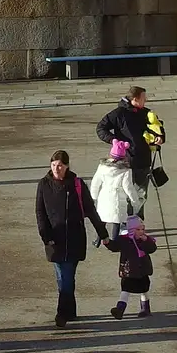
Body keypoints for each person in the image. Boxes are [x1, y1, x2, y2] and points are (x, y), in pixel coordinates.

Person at [35, 149, 109, 328]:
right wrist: (46, 235)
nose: (56, 169)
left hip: (74, 238)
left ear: (67, 166)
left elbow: (90, 210)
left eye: (60, 165)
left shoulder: (77, 184)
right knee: (63, 278)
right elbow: (40, 212)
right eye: (53, 165)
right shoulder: (44, 184)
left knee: (66, 276)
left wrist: (103, 234)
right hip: (55, 240)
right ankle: (71, 311)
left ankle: (62, 313)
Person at [96, 86, 164, 193]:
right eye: (143, 98)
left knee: (141, 198)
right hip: (125, 163)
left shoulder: (147, 113)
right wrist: (113, 140)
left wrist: (160, 138)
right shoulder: (119, 114)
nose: (146, 100)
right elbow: (101, 128)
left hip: (143, 163)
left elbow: (158, 127)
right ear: (135, 99)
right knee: (126, 196)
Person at [88, 138, 144, 241]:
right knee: (116, 222)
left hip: (104, 196)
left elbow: (96, 182)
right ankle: (114, 240)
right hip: (118, 198)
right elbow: (128, 187)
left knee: (102, 219)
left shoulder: (102, 167)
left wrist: (94, 196)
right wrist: (134, 200)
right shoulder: (126, 171)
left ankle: (98, 239)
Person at [106, 215, 157, 318]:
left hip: (142, 270)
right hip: (128, 270)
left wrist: (146, 240)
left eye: (143, 229)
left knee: (144, 289)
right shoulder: (123, 240)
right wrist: (108, 243)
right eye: (138, 229)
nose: (141, 231)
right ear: (132, 230)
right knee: (125, 290)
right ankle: (120, 309)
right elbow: (115, 247)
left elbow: (152, 249)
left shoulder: (145, 240)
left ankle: (145, 308)